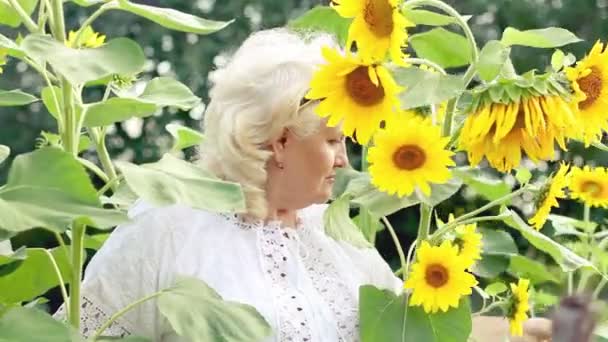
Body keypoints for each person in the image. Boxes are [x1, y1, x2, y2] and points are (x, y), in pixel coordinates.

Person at [60, 28, 552, 342]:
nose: (343, 160)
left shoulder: (333, 236)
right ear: (280, 141)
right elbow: (83, 331)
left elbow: (421, 332)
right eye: (334, 140)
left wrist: (540, 331)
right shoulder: (169, 226)